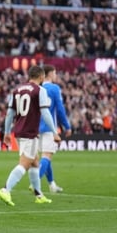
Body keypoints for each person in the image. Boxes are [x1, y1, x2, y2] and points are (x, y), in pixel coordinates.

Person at [0, 66, 61, 206]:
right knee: (25, 163)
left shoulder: (17, 90)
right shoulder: (40, 90)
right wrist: (55, 132)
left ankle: (39, 195)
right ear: (41, 77)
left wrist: (7, 132)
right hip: (30, 132)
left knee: (35, 162)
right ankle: (5, 189)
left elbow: (10, 113)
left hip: (19, 130)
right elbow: (45, 113)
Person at [38, 64, 72, 193]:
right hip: (49, 127)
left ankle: (52, 184)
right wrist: (67, 126)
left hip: (37, 128)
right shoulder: (54, 88)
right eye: (55, 72)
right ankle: (35, 183)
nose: (56, 75)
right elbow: (60, 109)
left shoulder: (38, 88)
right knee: (47, 155)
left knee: (46, 156)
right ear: (50, 74)